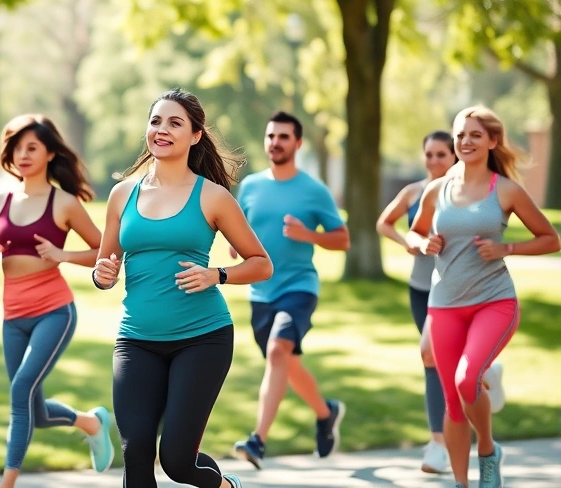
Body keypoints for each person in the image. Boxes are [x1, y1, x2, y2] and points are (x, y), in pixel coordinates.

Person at [92, 88, 272, 488]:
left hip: (202, 339)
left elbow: (262, 264)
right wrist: (101, 275)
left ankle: (226, 485)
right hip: (137, 339)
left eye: (175, 123)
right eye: (156, 121)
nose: (162, 129)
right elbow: (105, 265)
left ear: (195, 135)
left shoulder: (213, 197)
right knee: (135, 450)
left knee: (176, 460)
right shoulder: (123, 194)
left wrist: (217, 275)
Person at [407, 106, 559, 488]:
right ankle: (462, 484)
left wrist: (506, 248)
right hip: (444, 306)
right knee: (453, 404)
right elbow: (413, 233)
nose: (466, 142)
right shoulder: (436, 189)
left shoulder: (505, 190)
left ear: (492, 141)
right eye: (460, 135)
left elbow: (551, 239)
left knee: (466, 378)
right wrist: (424, 243)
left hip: (494, 301)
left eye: (475, 135)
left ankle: (488, 450)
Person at [0, 114, 113, 488]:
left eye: (32, 147)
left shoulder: (64, 203)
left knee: (20, 391)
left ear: (50, 153)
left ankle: (7, 483)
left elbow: (104, 249)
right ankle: (91, 422)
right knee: (33, 407)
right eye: (18, 148)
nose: (23, 154)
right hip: (12, 316)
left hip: (54, 311)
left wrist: (63, 256)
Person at [232, 111, 350, 469]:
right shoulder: (251, 186)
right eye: (271, 136)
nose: (276, 143)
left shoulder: (314, 190)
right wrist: (236, 247)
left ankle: (258, 441)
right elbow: (240, 230)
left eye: (284, 137)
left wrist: (309, 235)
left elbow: (343, 239)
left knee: (277, 351)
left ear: (298, 143)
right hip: (260, 292)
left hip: (299, 287)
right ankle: (325, 413)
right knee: (285, 361)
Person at [376, 130, 458, 473]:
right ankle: (437, 442)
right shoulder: (413, 192)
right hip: (420, 288)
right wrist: (405, 242)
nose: (434, 160)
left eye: (441, 154)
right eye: (429, 154)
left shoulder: (464, 193)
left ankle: (483, 375)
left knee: (442, 359)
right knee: (431, 358)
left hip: (457, 289)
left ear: (454, 157)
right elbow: (384, 223)